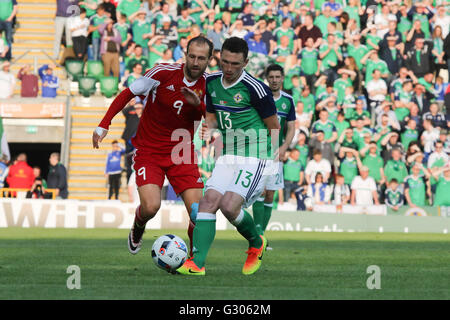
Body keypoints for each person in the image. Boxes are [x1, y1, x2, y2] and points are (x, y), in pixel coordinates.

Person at [92, 36, 214, 257]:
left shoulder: (211, 85)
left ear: (209, 60)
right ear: (185, 55)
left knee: (198, 213)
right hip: (149, 150)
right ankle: (138, 227)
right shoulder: (162, 73)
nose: (196, 62)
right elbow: (128, 93)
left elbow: (214, 120)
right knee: (150, 207)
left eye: (201, 58)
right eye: (192, 56)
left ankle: (193, 262)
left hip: (182, 153)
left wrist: (200, 106)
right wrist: (104, 123)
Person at [177, 37, 280, 276]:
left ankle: (256, 242)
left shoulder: (256, 89)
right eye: (224, 62)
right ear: (218, 58)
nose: (229, 68)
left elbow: (274, 126)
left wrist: (270, 165)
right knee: (208, 202)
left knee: (229, 206)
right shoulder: (211, 82)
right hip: (228, 155)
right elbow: (213, 119)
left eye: (235, 63)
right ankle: (197, 264)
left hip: (255, 156)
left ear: (245, 62)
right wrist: (208, 126)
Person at [253, 64, 296, 239]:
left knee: (270, 194)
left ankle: (261, 234)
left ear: (282, 78)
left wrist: (284, 147)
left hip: (276, 154)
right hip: (259, 151)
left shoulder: (288, 100)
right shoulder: (259, 97)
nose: (274, 80)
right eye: (271, 77)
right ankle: (257, 235)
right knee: (260, 191)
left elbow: (291, 127)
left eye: (278, 77)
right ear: (267, 78)